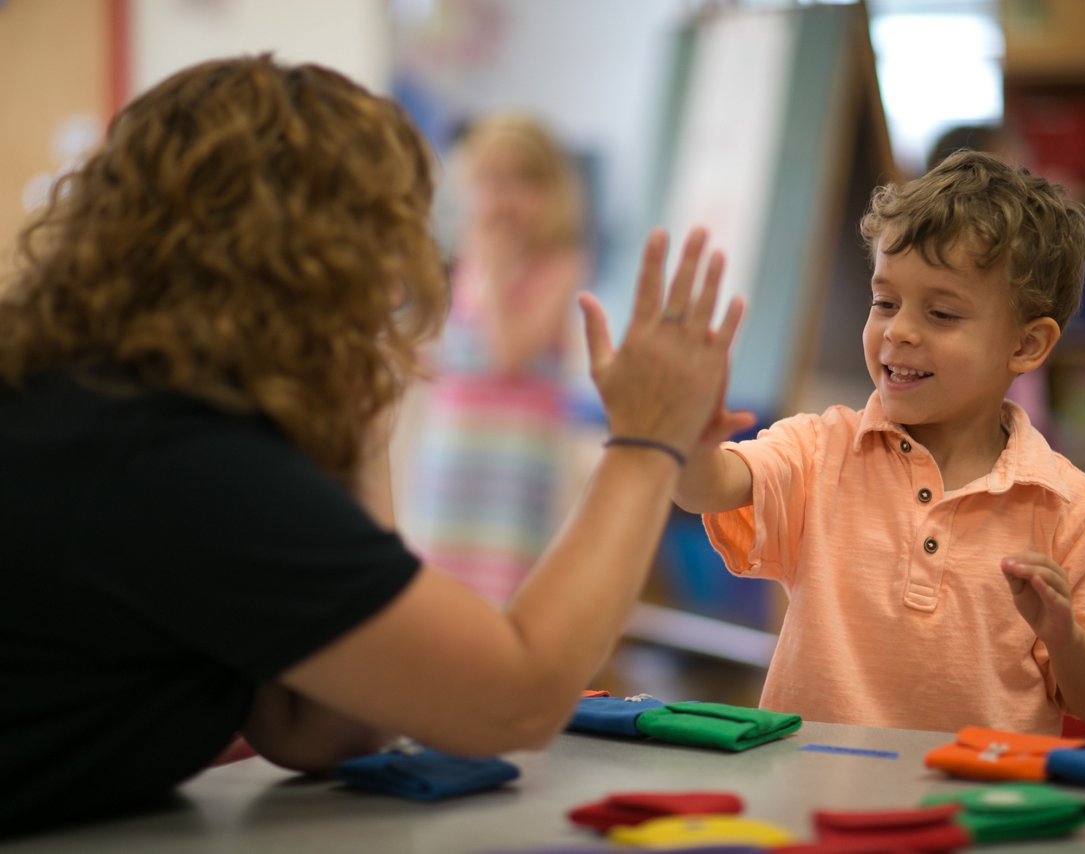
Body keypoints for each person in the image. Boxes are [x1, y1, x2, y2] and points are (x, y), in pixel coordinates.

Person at [0, 55, 744, 836]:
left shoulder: (110, 400)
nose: (396, 276)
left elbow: (322, 729)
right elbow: (510, 700)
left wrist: (352, 425)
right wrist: (645, 440)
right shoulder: (175, 454)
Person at [674, 150, 1085, 736]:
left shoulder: (1070, 511)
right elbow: (704, 488)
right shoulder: (820, 449)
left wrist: (1064, 636)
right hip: (811, 805)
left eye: (942, 313)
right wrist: (682, 438)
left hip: (980, 813)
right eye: (885, 302)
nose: (898, 330)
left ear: (1026, 346)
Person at [396, 113, 590, 604]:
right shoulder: (466, 263)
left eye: (524, 180)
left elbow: (507, 355)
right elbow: (446, 356)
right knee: (442, 584)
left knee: (503, 587)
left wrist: (498, 271)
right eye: (490, 180)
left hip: (513, 465)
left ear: (553, 192)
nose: (505, 197)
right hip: (456, 454)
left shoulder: (558, 265)